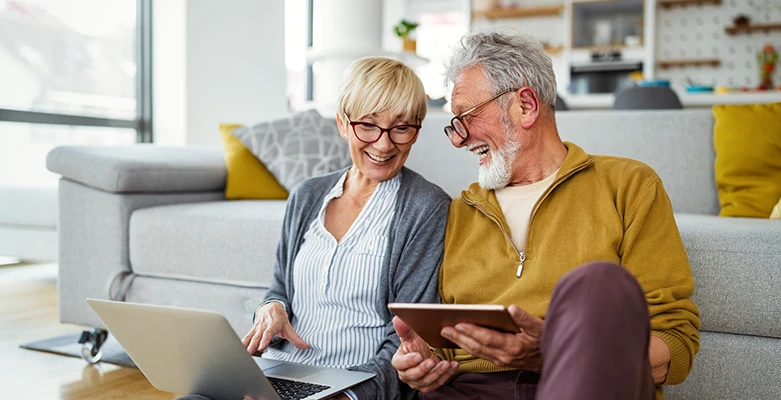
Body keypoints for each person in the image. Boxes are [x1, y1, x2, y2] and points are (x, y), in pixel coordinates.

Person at [391, 32, 701, 400]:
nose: (459, 139)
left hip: (585, 384)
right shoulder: (461, 209)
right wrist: (424, 362)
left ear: (525, 106)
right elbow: (447, 343)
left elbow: (674, 344)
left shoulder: (628, 186)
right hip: (468, 391)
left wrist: (553, 353)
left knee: (599, 282)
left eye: (467, 117)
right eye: (454, 123)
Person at [179, 57, 450, 400]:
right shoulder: (307, 195)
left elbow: (406, 337)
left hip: (351, 387)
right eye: (368, 125)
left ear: (417, 131)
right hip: (275, 375)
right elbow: (279, 288)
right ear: (342, 123)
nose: (384, 145)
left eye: (401, 128)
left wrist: (345, 395)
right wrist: (271, 308)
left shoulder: (426, 208)